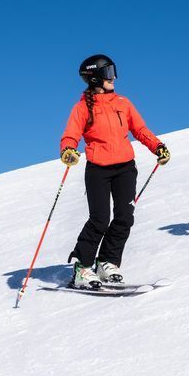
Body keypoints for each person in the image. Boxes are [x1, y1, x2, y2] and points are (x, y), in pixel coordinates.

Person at [60, 54, 171, 288]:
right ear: (94, 78)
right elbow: (71, 135)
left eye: (113, 72)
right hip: (98, 170)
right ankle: (82, 268)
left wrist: (158, 146)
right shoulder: (82, 108)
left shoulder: (123, 103)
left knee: (124, 217)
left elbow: (140, 129)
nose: (114, 78)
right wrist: (68, 150)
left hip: (125, 168)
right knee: (99, 220)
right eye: (108, 73)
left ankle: (107, 262)